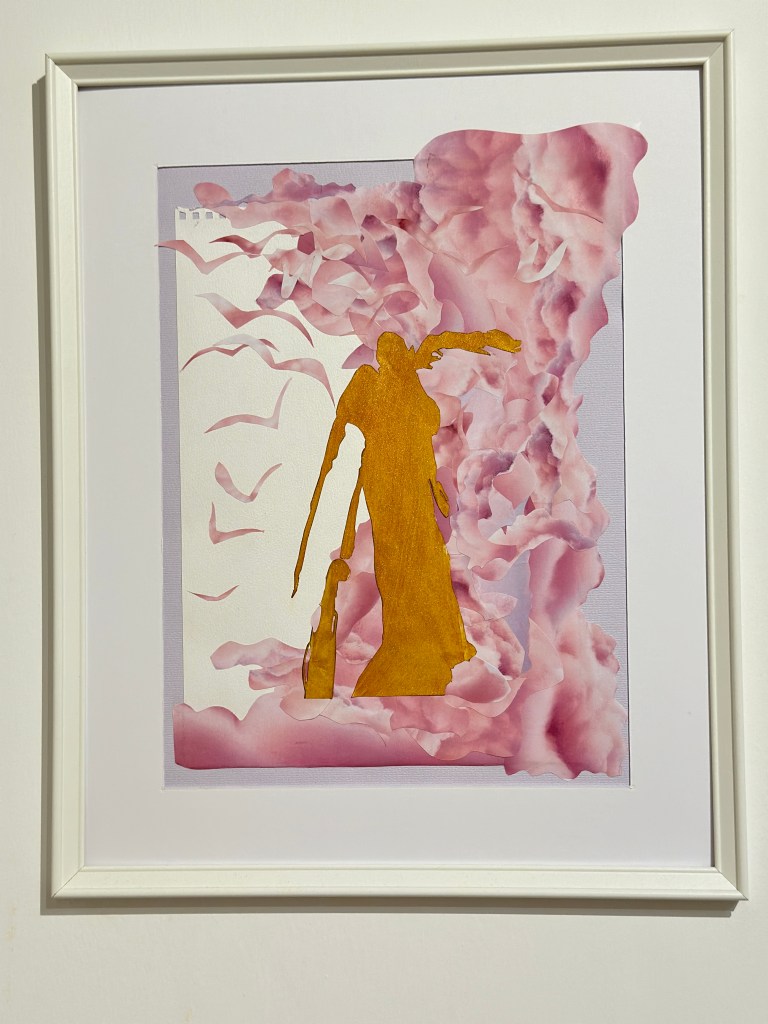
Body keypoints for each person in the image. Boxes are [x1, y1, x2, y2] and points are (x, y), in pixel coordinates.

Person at [293, 328, 521, 697]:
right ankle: (414, 645)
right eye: (396, 354)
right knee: (404, 563)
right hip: (393, 492)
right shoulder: (379, 386)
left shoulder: (395, 388)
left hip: (408, 491)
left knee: (419, 562)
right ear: (390, 358)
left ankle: (432, 644)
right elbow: (353, 423)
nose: (399, 359)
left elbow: (424, 417)